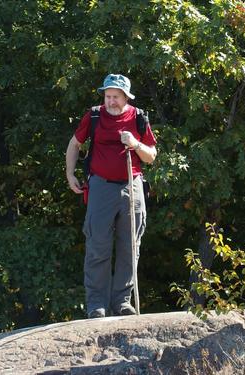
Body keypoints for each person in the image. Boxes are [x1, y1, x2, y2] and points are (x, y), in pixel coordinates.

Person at [66, 73, 157, 318]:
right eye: (108, 96)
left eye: (116, 96)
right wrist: (70, 174)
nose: (111, 101)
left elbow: (151, 155)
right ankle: (97, 304)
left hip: (132, 185)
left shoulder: (138, 118)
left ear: (126, 97)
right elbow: (75, 144)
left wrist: (136, 144)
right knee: (98, 246)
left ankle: (122, 302)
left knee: (130, 247)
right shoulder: (94, 115)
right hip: (101, 187)